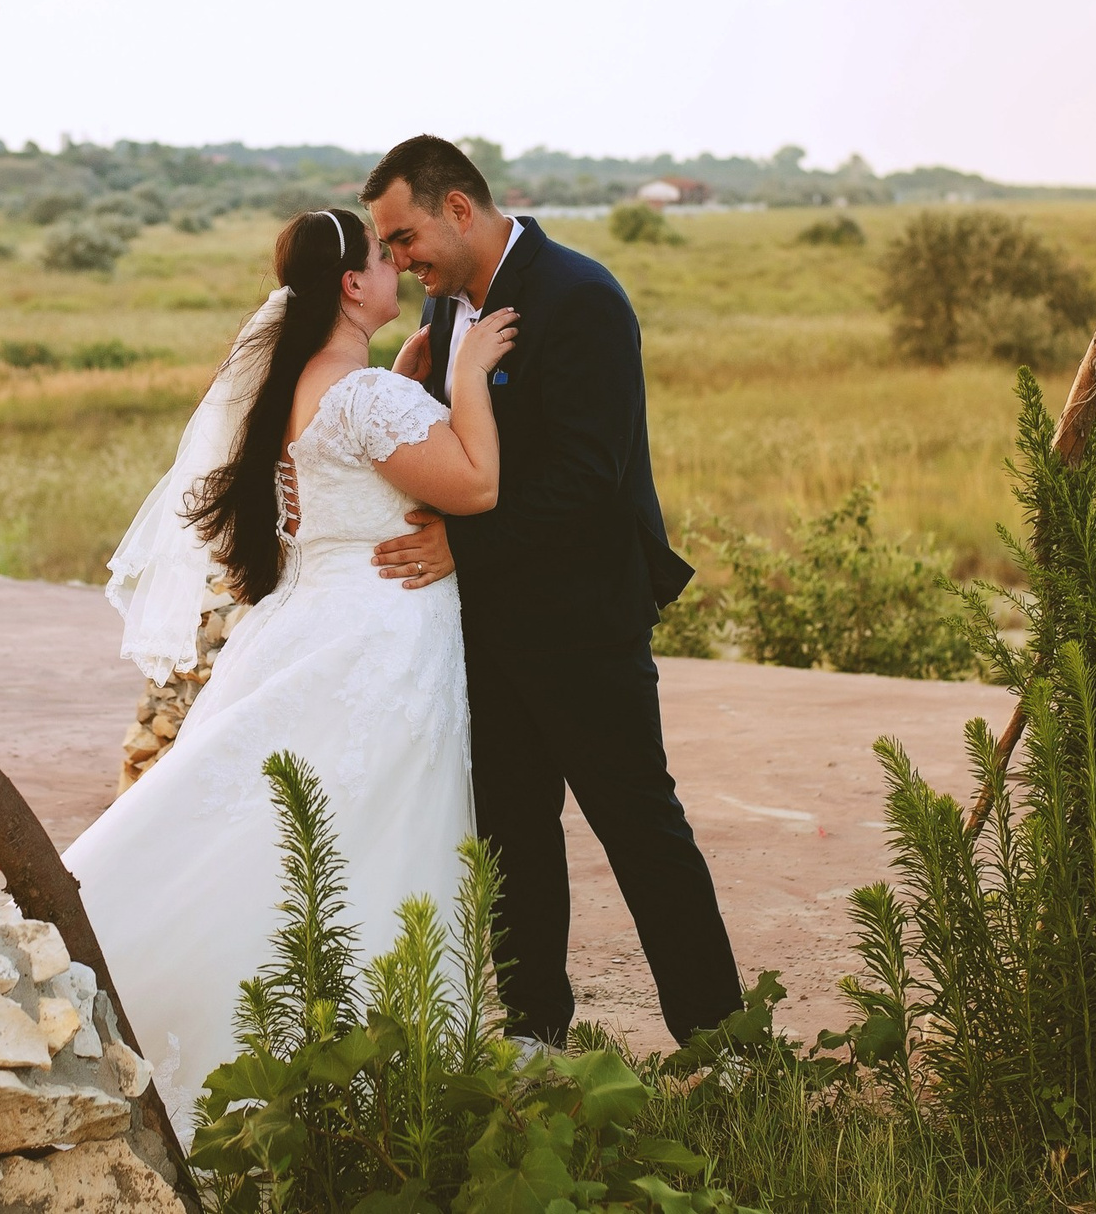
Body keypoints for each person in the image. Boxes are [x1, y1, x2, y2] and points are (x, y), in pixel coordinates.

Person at [64, 207, 519, 1118]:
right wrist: (468, 374)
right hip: (383, 637)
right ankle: (377, 1063)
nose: (397, 270)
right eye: (384, 257)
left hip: (313, 621)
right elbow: (475, 484)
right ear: (352, 284)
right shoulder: (365, 395)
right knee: (368, 829)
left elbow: (348, 475)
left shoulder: (304, 383)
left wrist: (404, 384)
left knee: (286, 829)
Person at [362, 135, 741, 1049]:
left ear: (459, 208)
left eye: (405, 236)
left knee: (639, 825)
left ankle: (722, 1042)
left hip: (584, 622)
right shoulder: (445, 307)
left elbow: (588, 475)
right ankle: (534, 1032)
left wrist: (460, 544)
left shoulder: (582, 297)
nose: (399, 259)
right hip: (485, 628)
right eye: (387, 245)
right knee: (513, 832)